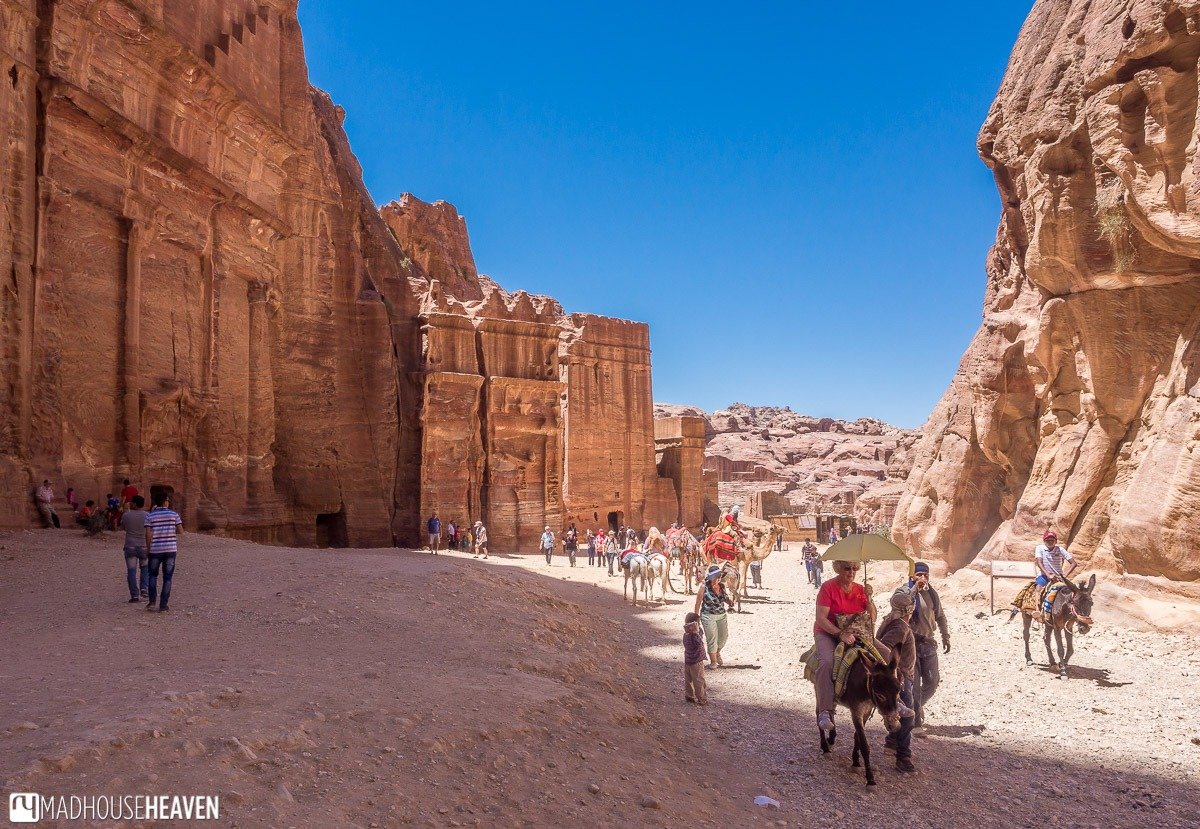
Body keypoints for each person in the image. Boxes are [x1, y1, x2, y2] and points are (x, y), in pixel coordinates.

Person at [812, 560, 876, 734]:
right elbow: (821, 618)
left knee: (885, 655)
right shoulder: (828, 588)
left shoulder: (861, 589)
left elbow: (872, 618)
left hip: (857, 633)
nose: (852, 572)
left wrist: (870, 599)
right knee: (826, 662)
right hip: (828, 632)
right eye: (847, 568)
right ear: (838, 568)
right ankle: (825, 710)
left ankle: (894, 702)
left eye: (854, 568)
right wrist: (839, 634)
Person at [904, 562, 950, 729]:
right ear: (912, 576)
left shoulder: (932, 593)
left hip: (929, 643)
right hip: (910, 645)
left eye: (926, 575)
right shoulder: (905, 592)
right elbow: (899, 605)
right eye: (919, 575)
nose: (923, 578)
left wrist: (945, 636)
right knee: (914, 685)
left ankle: (915, 707)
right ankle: (915, 723)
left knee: (932, 682)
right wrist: (915, 588)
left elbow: (940, 616)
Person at [878, 589, 919, 772]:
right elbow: (883, 648)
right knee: (908, 719)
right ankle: (903, 757)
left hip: (903, 677)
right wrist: (895, 671)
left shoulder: (897, 623)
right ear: (910, 610)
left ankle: (892, 743)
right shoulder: (900, 626)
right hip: (901, 679)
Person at [144, 493, 183, 612]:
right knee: (167, 578)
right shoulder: (174, 515)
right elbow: (181, 531)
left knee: (152, 575)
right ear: (166, 502)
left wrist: (148, 548)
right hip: (170, 549)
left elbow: (148, 534)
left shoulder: (150, 516)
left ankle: (151, 602)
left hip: (155, 549)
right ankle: (163, 605)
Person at [694, 565, 734, 667]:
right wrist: (696, 617)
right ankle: (713, 661)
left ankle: (716, 653)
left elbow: (725, 598)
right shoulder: (704, 587)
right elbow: (698, 602)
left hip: (721, 615)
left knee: (723, 638)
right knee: (712, 639)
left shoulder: (722, 586)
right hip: (708, 616)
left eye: (720, 576)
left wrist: (730, 602)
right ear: (712, 578)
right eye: (717, 577)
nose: (719, 579)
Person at [119, 495, 149, 602]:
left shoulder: (126, 515)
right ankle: (144, 589)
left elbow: (122, 528)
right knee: (145, 568)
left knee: (131, 571)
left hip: (130, 546)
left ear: (135, 504)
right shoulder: (147, 515)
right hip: (144, 546)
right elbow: (149, 532)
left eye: (132, 502)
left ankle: (134, 595)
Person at [683, 611, 708, 704]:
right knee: (699, 680)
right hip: (696, 661)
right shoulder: (695, 635)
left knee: (688, 679)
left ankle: (689, 695)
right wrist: (696, 633)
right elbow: (700, 644)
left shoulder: (685, 635)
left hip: (688, 660)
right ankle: (702, 698)